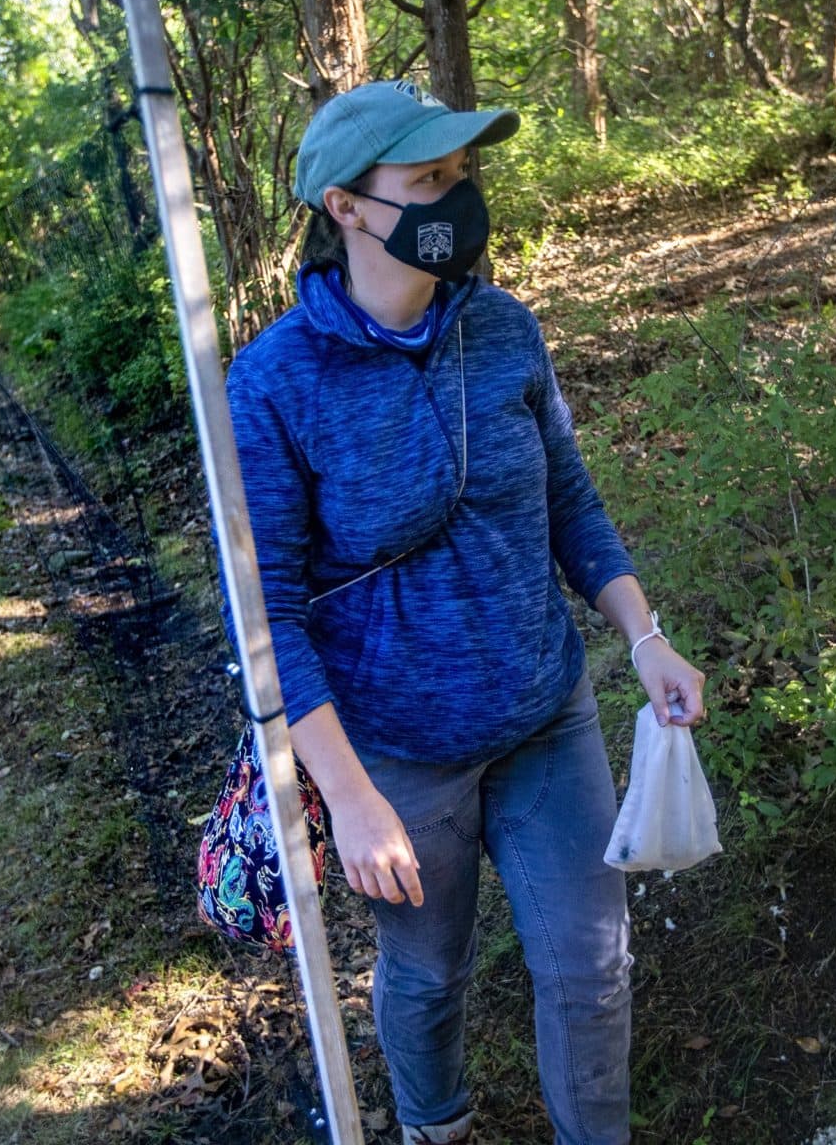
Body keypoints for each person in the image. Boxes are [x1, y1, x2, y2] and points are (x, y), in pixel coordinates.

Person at [226, 79, 707, 1145]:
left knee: (592, 963)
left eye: (460, 173)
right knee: (428, 970)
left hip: (545, 708)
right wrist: (345, 795)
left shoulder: (504, 332)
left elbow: (569, 502)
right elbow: (272, 616)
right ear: (347, 205)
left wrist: (645, 632)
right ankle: (434, 1128)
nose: (456, 195)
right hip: (397, 752)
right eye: (427, 178)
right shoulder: (271, 386)